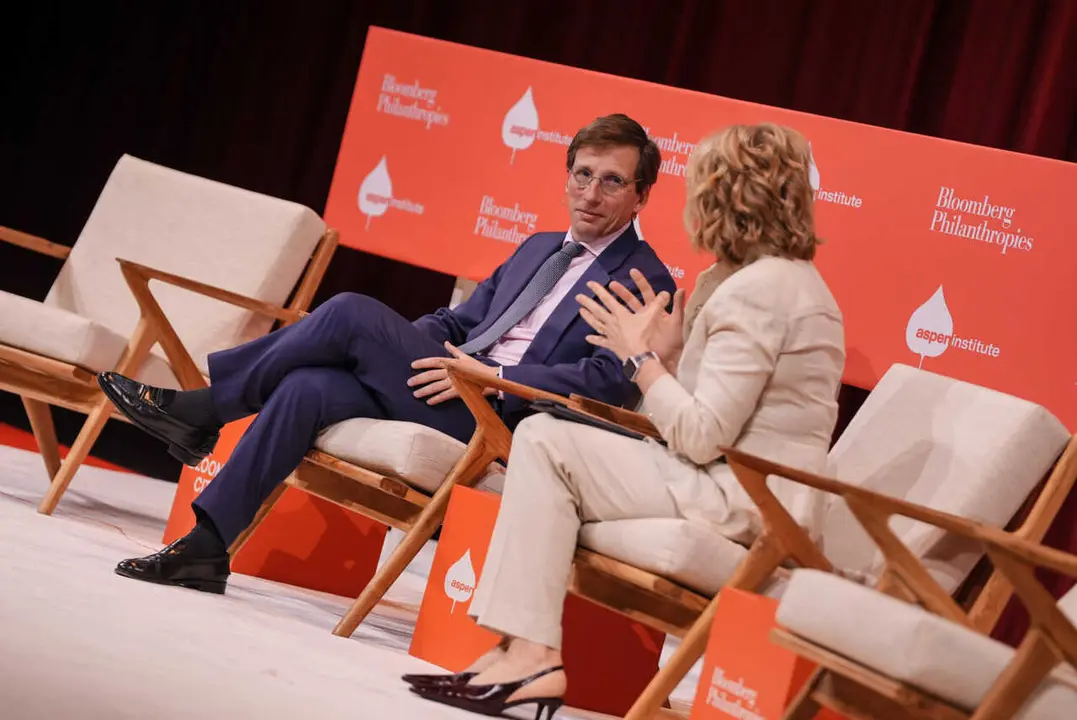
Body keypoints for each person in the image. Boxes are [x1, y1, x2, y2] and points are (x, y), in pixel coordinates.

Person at [100, 113, 676, 594]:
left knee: (349, 311)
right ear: (567, 175)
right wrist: (398, 352)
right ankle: (206, 547)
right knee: (307, 387)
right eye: (582, 175)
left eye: (612, 182)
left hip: (503, 417)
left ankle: (205, 410)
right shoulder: (539, 247)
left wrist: (493, 375)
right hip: (444, 383)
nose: (590, 194)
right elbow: (459, 321)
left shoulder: (645, 278)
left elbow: (606, 381)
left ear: (641, 195)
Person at [404, 122, 846, 719]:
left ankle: (528, 654)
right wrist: (672, 358)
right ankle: (522, 651)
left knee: (545, 441)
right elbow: (721, 409)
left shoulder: (762, 291)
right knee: (545, 437)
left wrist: (642, 361)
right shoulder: (749, 280)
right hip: (718, 474)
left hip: (747, 498)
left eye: (701, 188)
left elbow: (700, 435)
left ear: (727, 196)